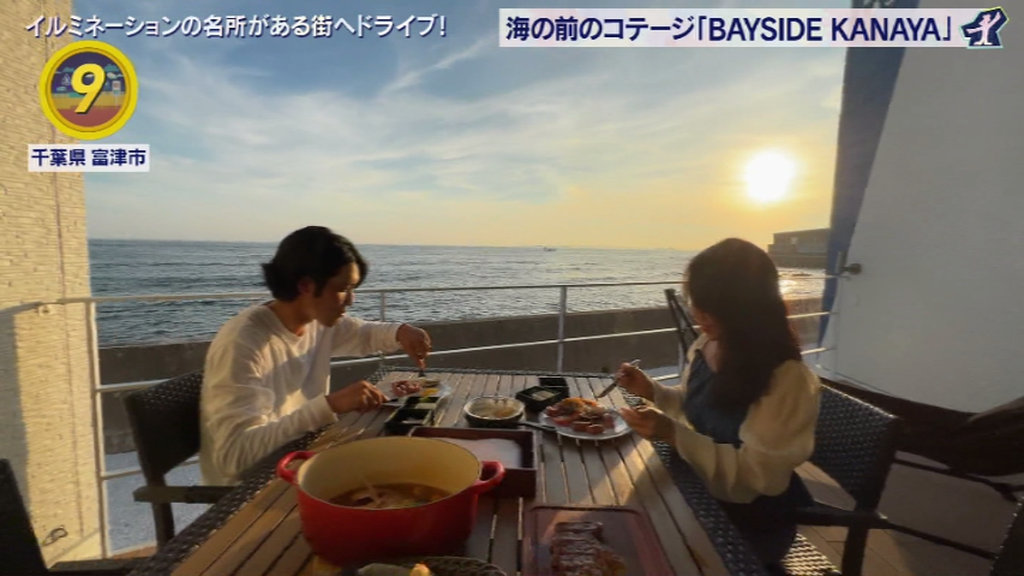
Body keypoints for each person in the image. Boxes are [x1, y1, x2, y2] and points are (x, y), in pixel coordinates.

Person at [617, 238, 820, 570]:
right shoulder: (708, 344)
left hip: (750, 519)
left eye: (715, 307)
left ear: (749, 308)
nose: (700, 314)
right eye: (698, 301)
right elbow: (696, 408)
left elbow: (757, 475)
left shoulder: (785, 378)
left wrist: (672, 433)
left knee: (637, 546)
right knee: (619, 524)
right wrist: (653, 391)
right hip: (696, 487)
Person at [199, 226, 432, 485]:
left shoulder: (314, 322)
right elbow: (234, 457)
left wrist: (401, 332)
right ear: (305, 285)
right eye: (343, 288)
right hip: (252, 488)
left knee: (410, 463)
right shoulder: (243, 342)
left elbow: (362, 334)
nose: (351, 300)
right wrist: (329, 406)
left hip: (301, 456)